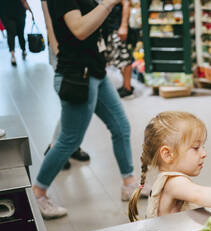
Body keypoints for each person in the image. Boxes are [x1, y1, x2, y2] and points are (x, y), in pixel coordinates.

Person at [33, 0, 148, 219]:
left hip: (95, 71)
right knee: (70, 140)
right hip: (78, 76)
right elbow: (80, 29)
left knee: (120, 126)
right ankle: (38, 193)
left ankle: (129, 183)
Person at [41, 0, 91, 171]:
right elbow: (49, 22)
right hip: (64, 53)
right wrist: (58, 52)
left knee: (78, 105)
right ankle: (56, 147)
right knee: (71, 99)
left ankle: (72, 145)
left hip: (81, 55)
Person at [103, 0, 135, 98]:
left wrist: (123, 26)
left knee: (124, 57)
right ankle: (125, 86)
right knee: (119, 58)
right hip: (110, 28)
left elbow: (126, 3)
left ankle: (128, 88)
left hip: (117, 29)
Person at [0, 0, 32, 66]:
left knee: (11, 33)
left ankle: (13, 55)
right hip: (17, 11)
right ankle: (22, 51)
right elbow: (23, 1)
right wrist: (30, 10)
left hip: (6, 12)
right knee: (20, 33)